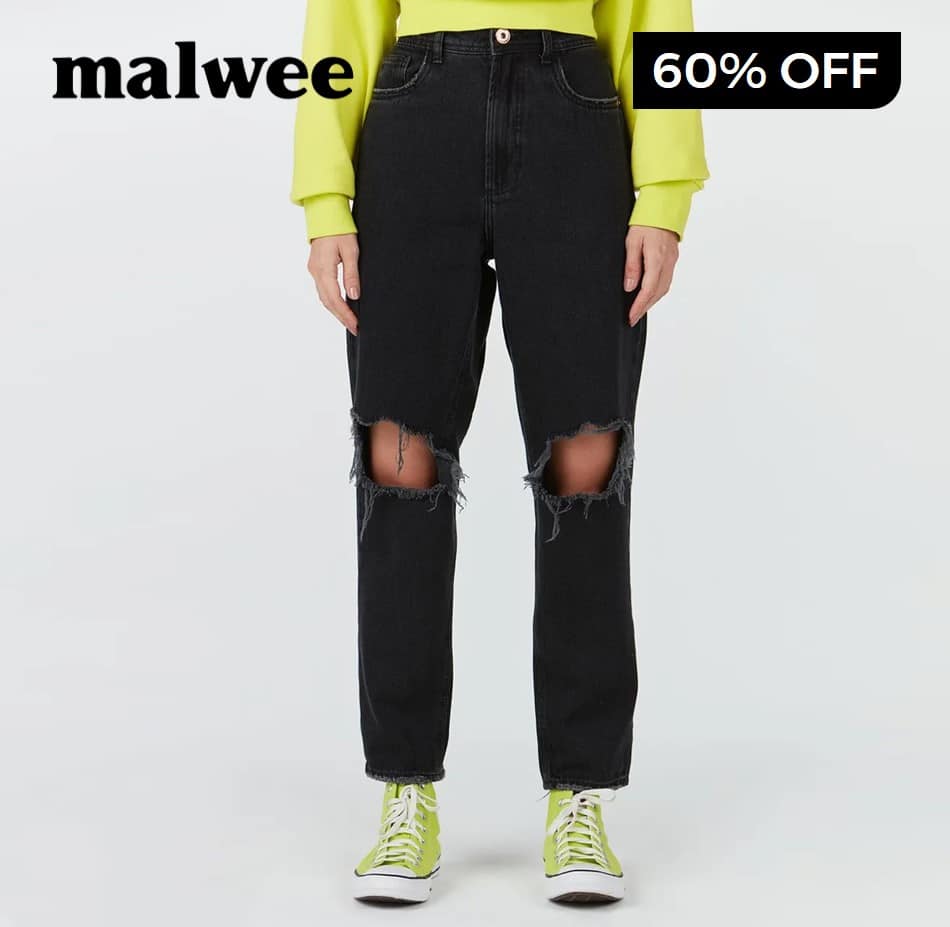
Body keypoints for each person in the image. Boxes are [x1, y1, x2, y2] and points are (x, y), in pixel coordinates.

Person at [291, 0, 708, 905]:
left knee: (584, 469)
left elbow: (654, 15)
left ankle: (580, 791)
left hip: (577, 127)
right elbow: (343, 19)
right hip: (412, 126)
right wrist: (325, 201)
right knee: (399, 465)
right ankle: (405, 786)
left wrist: (665, 194)